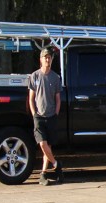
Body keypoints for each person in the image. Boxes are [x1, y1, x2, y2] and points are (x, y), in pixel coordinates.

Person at [29, 48, 63, 186]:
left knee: (47, 147)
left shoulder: (55, 78)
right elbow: (31, 98)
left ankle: (43, 174)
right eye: (45, 57)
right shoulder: (35, 76)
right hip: (39, 116)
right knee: (42, 144)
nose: (47, 60)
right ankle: (56, 164)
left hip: (51, 116)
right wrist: (34, 114)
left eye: (49, 57)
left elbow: (58, 99)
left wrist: (56, 113)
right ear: (40, 59)